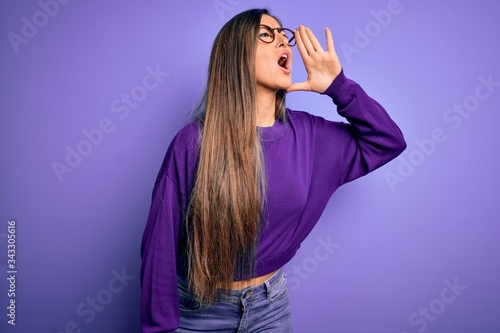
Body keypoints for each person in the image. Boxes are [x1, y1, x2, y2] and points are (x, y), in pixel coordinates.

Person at [140, 8, 406, 333]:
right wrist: (159, 328)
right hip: (197, 312)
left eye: (284, 34)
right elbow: (160, 243)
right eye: (267, 33)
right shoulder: (193, 142)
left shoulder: (311, 138)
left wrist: (338, 87)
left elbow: (388, 141)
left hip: (270, 309)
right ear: (235, 55)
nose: (284, 40)